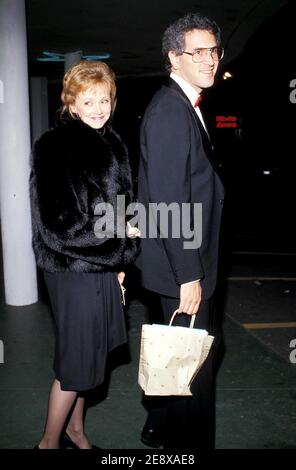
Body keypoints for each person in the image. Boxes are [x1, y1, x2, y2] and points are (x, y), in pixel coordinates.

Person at [30, 60, 138, 449]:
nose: (97, 108)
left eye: (104, 99)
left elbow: (121, 206)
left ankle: (75, 430)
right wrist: (117, 236)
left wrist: (121, 260)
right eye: (87, 100)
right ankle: (48, 442)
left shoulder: (113, 142)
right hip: (72, 268)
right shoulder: (55, 145)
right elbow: (58, 224)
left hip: (102, 266)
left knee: (93, 354)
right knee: (76, 361)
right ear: (71, 103)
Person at [137, 12, 225, 449]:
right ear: (175, 57)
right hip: (183, 263)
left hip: (184, 256)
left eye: (214, 50)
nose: (209, 60)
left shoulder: (182, 103)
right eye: (199, 52)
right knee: (194, 369)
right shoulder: (171, 111)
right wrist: (188, 274)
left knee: (180, 357)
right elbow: (168, 201)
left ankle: (160, 427)